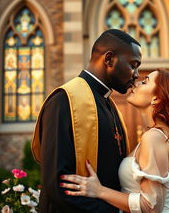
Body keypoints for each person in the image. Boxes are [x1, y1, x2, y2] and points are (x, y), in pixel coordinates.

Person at [60, 69, 169, 213]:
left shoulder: (155, 137)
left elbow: (151, 206)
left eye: (144, 81)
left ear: (157, 98)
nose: (136, 83)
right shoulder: (160, 136)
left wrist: (99, 191)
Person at [31, 29, 142, 213]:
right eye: (134, 64)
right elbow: (58, 186)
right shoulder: (64, 100)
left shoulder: (111, 105)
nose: (136, 74)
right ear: (109, 59)